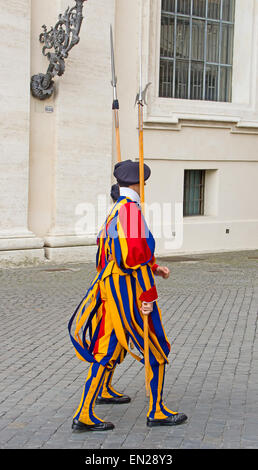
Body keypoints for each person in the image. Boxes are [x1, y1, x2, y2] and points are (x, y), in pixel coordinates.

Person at [68, 159, 187, 431]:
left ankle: (85, 413)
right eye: (142, 183)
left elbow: (109, 256)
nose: (143, 187)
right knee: (156, 347)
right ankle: (156, 411)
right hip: (130, 292)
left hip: (111, 292)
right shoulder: (131, 212)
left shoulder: (116, 210)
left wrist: (154, 267)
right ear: (136, 184)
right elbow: (133, 259)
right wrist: (146, 297)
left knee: (107, 348)